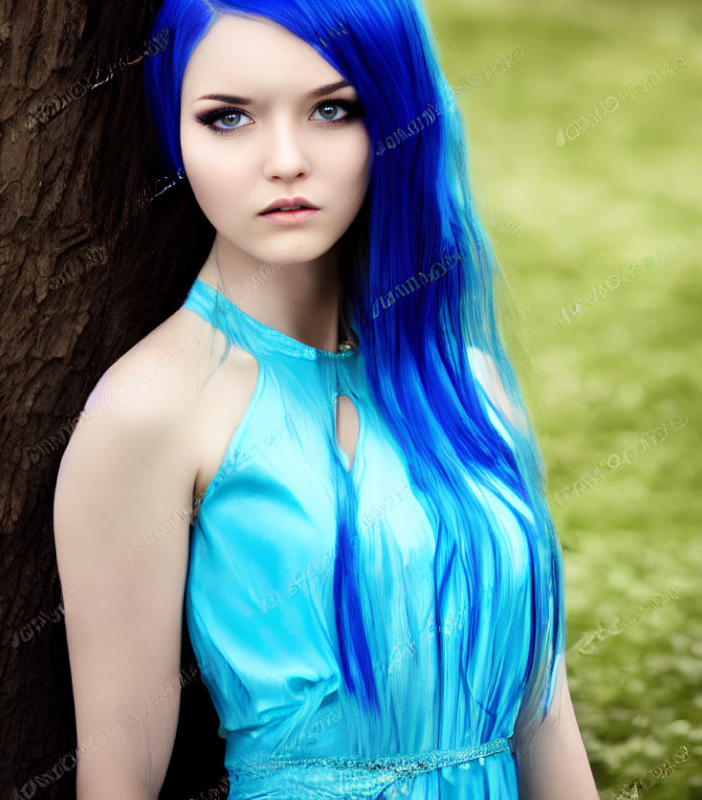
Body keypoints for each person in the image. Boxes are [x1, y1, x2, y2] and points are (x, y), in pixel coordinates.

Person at [53, 1, 599, 798]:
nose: (285, 161)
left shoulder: (470, 387)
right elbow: (118, 780)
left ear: (394, 120)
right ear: (176, 133)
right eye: (228, 117)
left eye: (332, 109)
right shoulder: (154, 406)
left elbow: (543, 719)